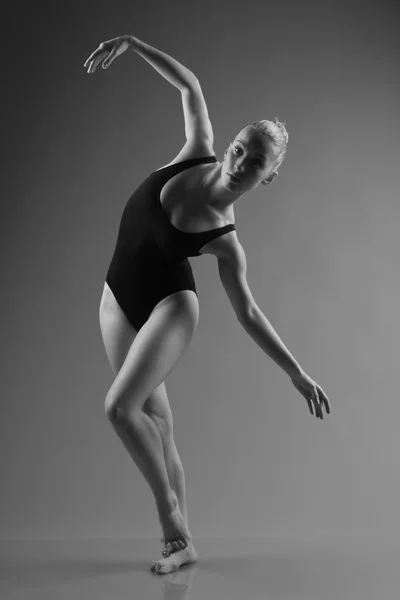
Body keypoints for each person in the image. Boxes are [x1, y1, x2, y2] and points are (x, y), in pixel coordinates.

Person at [84, 35, 331, 574]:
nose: (239, 160)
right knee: (159, 426)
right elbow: (190, 84)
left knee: (119, 409)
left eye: (256, 162)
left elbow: (248, 313)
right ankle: (185, 547)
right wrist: (129, 43)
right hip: (114, 298)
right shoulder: (197, 147)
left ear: (268, 178)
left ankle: (170, 520)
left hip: (171, 307)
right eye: (240, 147)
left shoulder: (225, 239)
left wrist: (296, 372)